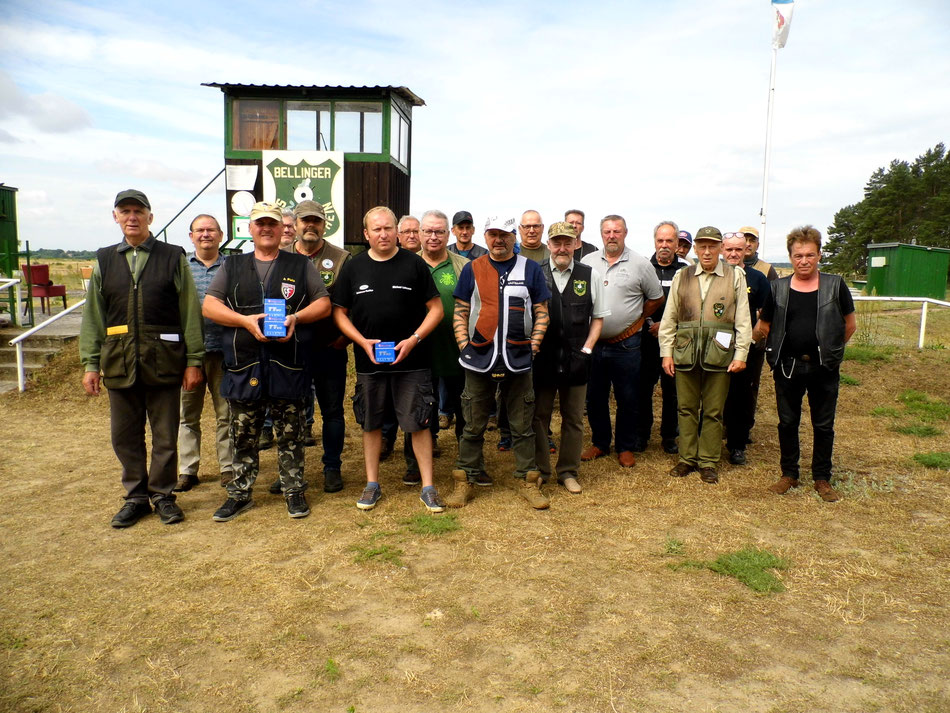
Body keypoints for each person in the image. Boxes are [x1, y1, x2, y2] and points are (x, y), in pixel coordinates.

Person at [80, 189, 204, 528]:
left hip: (164, 360)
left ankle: (163, 495)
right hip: (119, 362)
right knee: (124, 435)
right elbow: (94, 316)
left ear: (151, 217)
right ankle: (136, 497)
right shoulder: (104, 260)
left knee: (165, 434)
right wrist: (91, 363)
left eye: (139, 211)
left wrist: (194, 360)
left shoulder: (172, 256)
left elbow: (190, 311)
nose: (132, 217)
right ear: (115, 217)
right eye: (125, 211)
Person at [202, 201, 331, 521]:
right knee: (243, 436)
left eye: (272, 223)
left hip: (288, 364)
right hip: (245, 365)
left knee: (292, 434)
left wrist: (296, 319)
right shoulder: (232, 267)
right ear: (250, 228)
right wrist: (244, 322)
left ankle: (294, 491)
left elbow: (324, 305)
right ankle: (240, 494)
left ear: (281, 227)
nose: (266, 228)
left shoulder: (300, 266)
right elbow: (210, 307)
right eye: (259, 223)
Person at [333, 206, 446, 513]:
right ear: (366, 234)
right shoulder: (354, 268)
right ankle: (371, 484)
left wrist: (414, 339)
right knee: (370, 424)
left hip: (413, 361)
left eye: (388, 228)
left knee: (419, 423)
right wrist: (360, 341)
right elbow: (339, 313)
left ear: (397, 231)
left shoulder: (414, 264)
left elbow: (436, 309)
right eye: (376, 229)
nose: (383, 234)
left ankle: (428, 487)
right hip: (370, 363)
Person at [448, 215, 551, 509]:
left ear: (513, 235)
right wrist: (464, 345)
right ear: (486, 235)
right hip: (479, 358)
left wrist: (534, 346)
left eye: (504, 234)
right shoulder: (473, 269)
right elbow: (461, 310)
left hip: (518, 359)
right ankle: (465, 479)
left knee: (523, 424)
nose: (499, 240)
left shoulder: (529, 269)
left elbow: (542, 311)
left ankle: (527, 480)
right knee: (472, 423)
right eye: (493, 234)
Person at [754, 226, 856, 502]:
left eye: (810, 254)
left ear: (819, 255)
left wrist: (831, 351)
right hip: (787, 367)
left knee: (823, 425)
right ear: (790, 257)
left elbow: (849, 324)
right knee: (787, 422)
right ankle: (789, 474)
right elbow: (764, 325)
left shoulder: (835, 285)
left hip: (824, 368)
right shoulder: (777, 289)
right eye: (798, 255)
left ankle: (822, 478)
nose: (804, 261)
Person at [268, 199, 351, 495]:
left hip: (329, 348)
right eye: (306, 220)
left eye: (316, 220)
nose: (311, 225)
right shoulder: (280, 255)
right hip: (290, 351)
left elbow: (350, 303)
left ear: (324, 224)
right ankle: (292, 470)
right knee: (291, 412)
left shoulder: (341, 258)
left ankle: (331, 467)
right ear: (297, 224)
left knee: (332, 411)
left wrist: (345, 339)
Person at [659, 226, 752, 484]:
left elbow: (743, 320)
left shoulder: (735, 276)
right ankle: (687, 458)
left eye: (712, 246)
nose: (707, 251)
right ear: (696, 249)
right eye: (702, 246)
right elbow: (670, 318)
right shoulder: (683, 275)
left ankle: (709, 461)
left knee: (713, 411)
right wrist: (666, 353)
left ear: (721, 248)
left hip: (720, 355)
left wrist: (741, 353)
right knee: (686, 408)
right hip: (685, 352)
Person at [580, 215, 664, 468]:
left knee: (628, 397)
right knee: (595, 397)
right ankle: (600, 443)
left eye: (617, 231)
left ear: (625, 233)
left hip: (627, 346)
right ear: (601, 234)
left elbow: (656, 298)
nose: (612, 236)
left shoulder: (640, 264)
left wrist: (637, 321)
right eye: (607, 231)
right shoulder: (587, 262)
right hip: (594, 344)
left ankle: (625, 446)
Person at [533, 222, 607, 493]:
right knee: (539, 416)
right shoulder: (536, 272)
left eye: (568, 242)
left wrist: (587, 349)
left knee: (573, 417)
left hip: (577, 357)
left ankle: (568, 471)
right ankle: (540, 470)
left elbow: (598, 317)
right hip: (542, 357)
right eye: (557, 243)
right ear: (549, 244)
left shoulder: (590, 275)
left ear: (577, 244)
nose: (562, 248)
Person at [404, 209, 470, 485]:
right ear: (419, 234)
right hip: (418, 352)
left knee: (465, 411)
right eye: (428, 231)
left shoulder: (465, 266)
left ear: (449, 234)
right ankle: (414, 465)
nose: (433, 237)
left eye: (439, 231)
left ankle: (469, 464)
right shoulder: (406, 264)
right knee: (419, 410)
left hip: (457, 351)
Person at [175, 214, 234, 492]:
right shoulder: (180, 267)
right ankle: (188, 470)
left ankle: (227, 468)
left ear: (221, 235)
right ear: (191, 236)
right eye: (200, 230)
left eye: (211, 230)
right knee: (188, 415)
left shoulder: (232, 266)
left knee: (226, 414)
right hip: (190, 355)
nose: (205, 235)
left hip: (224, 351)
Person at [636, 220, 690, 454]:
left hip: (676, 341)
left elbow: (691, 305)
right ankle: (642, 434)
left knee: (673, 392)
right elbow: (637, 301)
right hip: (647, 339)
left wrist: (667, 326)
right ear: (654, 242)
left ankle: (669, 436)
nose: (665, 245)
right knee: (643, 390)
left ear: (677, 243)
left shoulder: (687, 270)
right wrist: (651, 324)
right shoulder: (644, 267)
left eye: (670, 241)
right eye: (660, 240)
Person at [721, 232, 771, 465]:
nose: (733, 254)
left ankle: (737, 445)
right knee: (711, 395)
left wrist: (749, 341)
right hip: (715, 346)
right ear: (722, 250)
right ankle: (707, 441)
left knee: (740, 396)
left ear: (745, 251)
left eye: (738, 250)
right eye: (729, 249)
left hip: (744, 346)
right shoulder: (714, 275)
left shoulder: (757, 278)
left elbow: (764, 314)